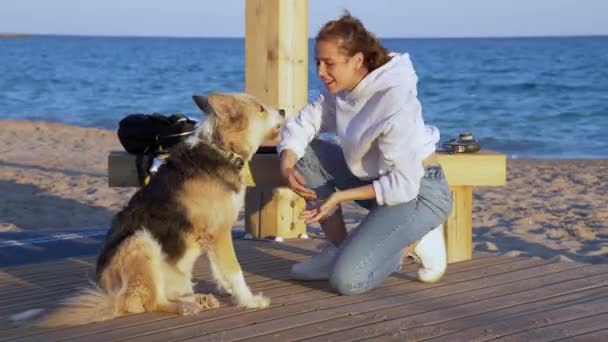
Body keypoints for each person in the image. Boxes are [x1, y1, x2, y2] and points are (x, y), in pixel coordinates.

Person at [277, 12, 453, 296]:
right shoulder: (345, 87)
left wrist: (340, 196)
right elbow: (305, 122)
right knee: (302, 153)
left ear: (357, 60)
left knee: (348, 281)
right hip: (377, 181)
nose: (320, 71)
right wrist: (286, 164)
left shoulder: (393, 101)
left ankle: (416, 240)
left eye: (329, 63)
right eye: (317, 62)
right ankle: (338, 249)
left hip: (419, 192)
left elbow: (404, 185)